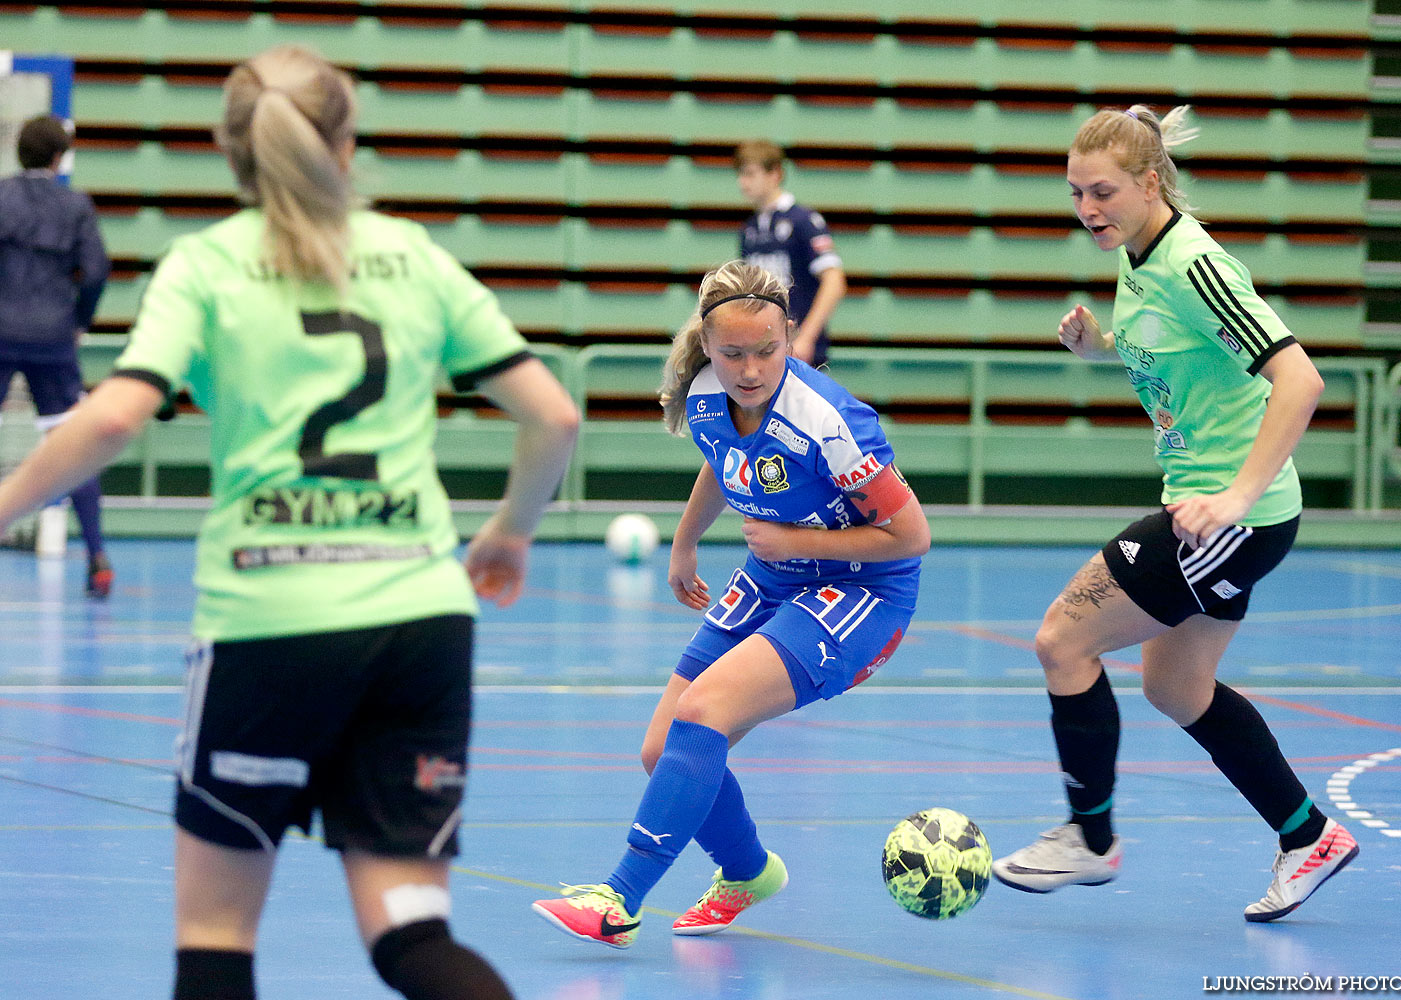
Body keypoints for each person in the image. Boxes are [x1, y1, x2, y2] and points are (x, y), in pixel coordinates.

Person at [0, 45, 580, 1000]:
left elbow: (110, 417)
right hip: (418, 624)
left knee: (217, 938)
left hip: (271, 626)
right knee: (412, 934)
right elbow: (555, 415)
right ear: (347, 144)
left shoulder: (208, 263)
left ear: (232, 153)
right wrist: (511, 529)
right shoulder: (414, 254)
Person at [990, 105, 1358, 923]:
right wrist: (1102, 347)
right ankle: (1309, 838)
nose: (1088, 208)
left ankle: (1091, 838)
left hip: (1229, 514)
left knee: (1061, 639)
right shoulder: (1140, 253)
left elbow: (1301, 382)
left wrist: (1234, 497)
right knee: (1177, 685)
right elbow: (1181, 347)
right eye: (1076, 193)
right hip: (1218, 509)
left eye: (1103, 191)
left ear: (1150, 182)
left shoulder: (1196, 263)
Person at [532, 260, 928, 948]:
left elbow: (911, 536)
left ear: (791, 336)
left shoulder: (828, 421)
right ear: (707, 346)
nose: (750, 369)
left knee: (704, 711)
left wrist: (791, 538)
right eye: (733, 353)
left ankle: (619, 899)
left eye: (768, 351)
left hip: (863, 589)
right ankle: (746, 871)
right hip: (776, 575)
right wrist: (685, 545)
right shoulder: (709, 395)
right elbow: (721, 461)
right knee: (663, 749)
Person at [0, 113, 114, 596]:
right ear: (58, 156)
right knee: (71, 444)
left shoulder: (0, 197)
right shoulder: (75, 206)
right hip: (52, 338)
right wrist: (79, 322)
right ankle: (97, 556)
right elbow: (95, 271)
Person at [734, 141, 846, 367]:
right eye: (740, 174)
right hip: (761, 351)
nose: (742, 182)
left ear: (775, 174)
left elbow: (835, 282)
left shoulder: (803, 221)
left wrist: (807, 336)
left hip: (799, 351)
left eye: (750, 174)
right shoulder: (748, 229)